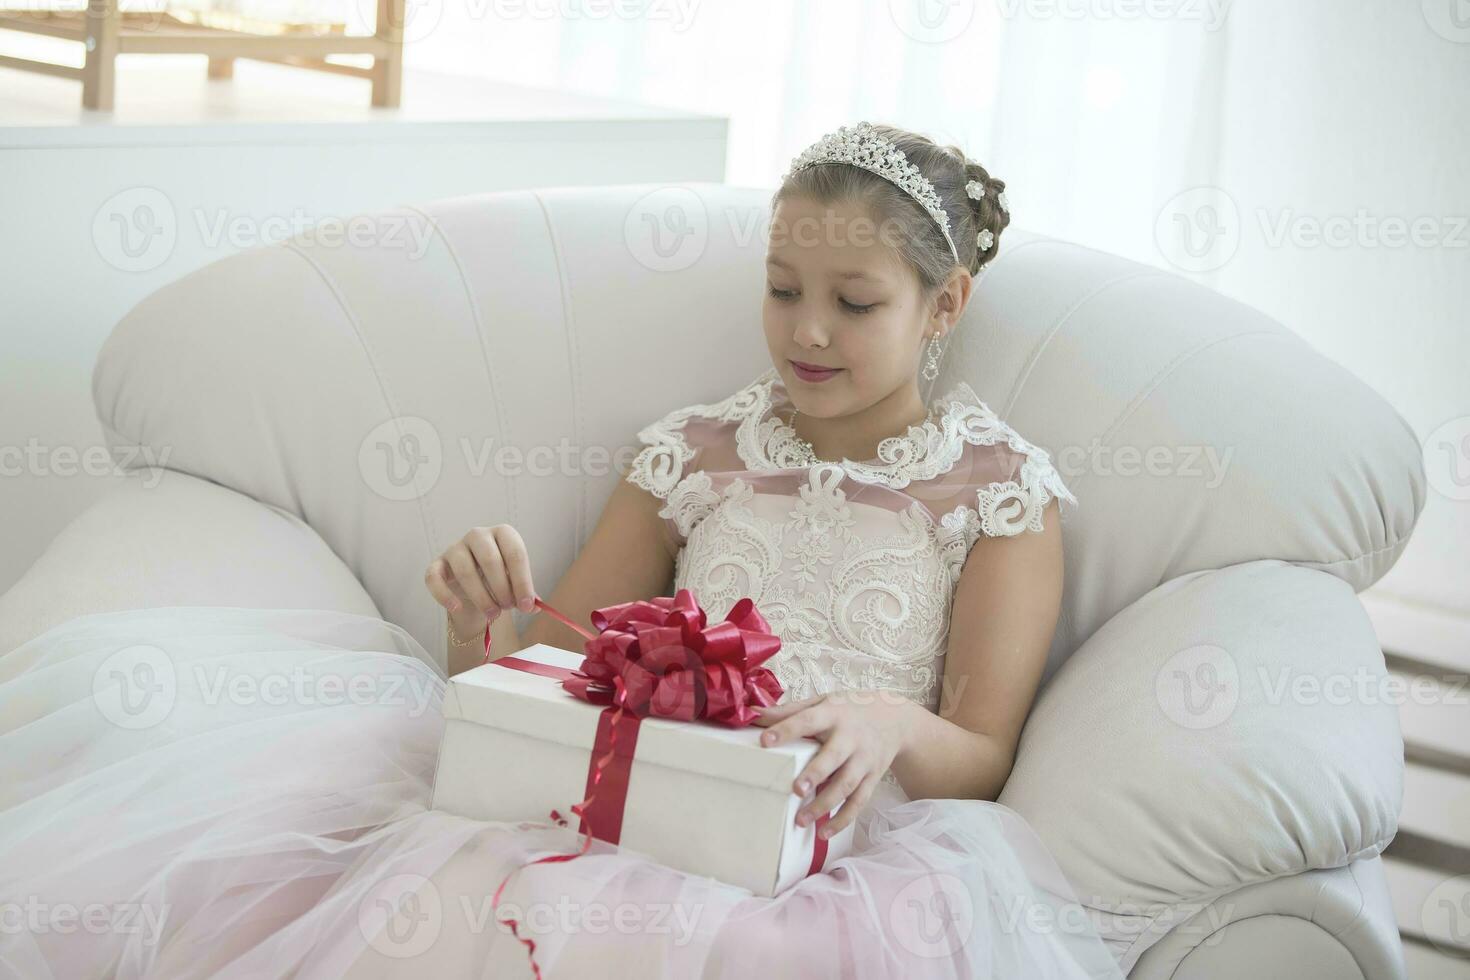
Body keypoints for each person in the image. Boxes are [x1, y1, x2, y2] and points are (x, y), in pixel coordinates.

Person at [0, 121, 1124, 978]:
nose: (808, 331)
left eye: (854, 301)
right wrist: (479, 622)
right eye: (782, 290)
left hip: (836, 852)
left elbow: (984, 747)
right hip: (636, 799)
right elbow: (552, 658)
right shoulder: (696, 450)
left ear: (945, 304)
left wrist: (887, 722)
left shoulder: (997, 490)